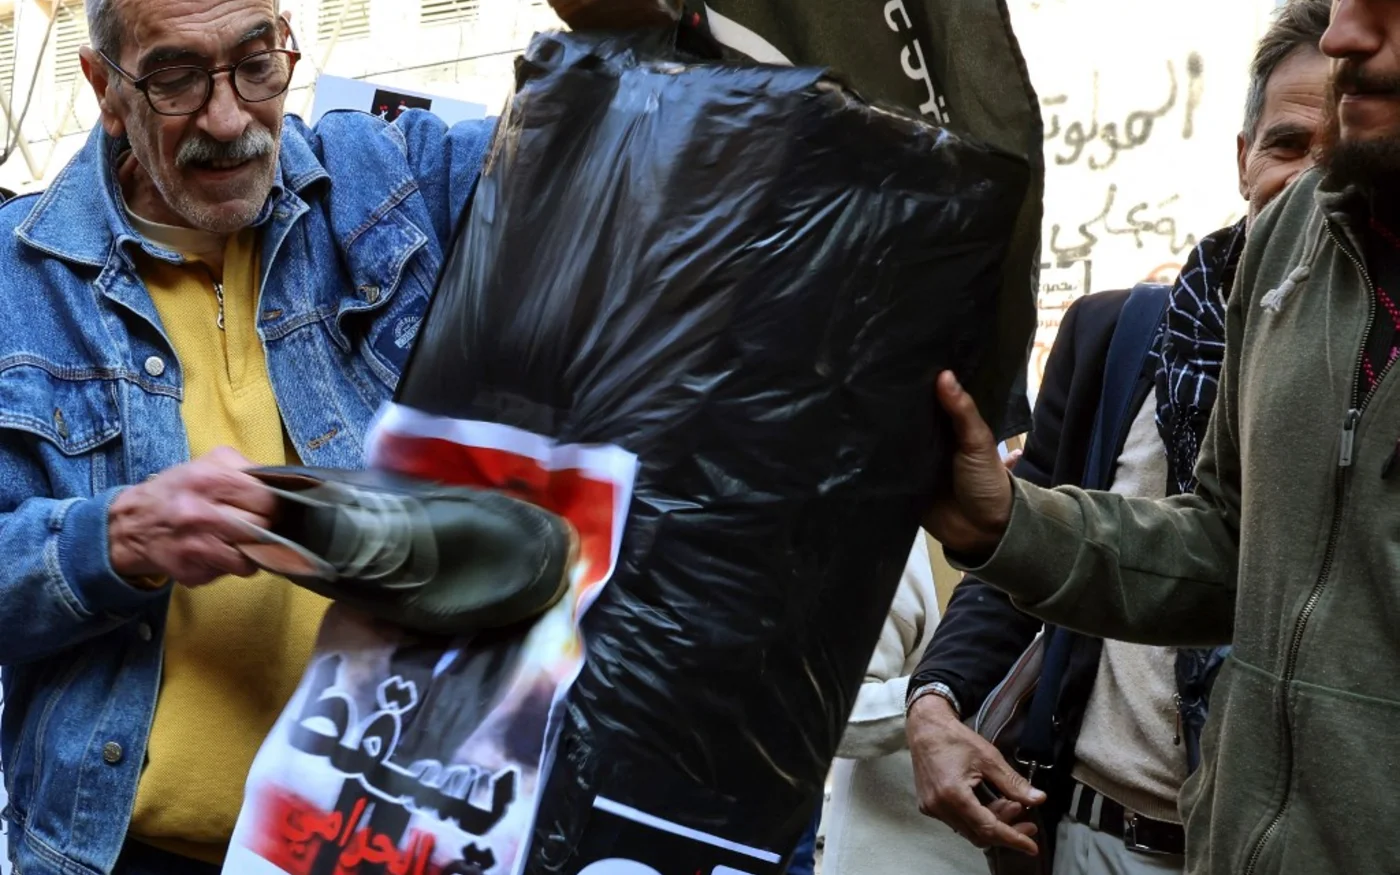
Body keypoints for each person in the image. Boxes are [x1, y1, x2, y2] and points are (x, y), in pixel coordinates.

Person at [0, 1, 620, 874]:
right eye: (176, 78)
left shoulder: (390, 176)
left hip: (391, 840)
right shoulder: (12, 277)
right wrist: (115, 539)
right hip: (125, 852)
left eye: (256, 63)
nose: (228, 119)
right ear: (106, 88)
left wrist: (620, 29)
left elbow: (600, 158)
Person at [923, 0, 1400, 872]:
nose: (1346, 39)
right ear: (1242, 156)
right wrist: (1005, 526)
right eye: (1340, 5)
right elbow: (1230, 549)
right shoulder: (1286, 250)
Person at [821, 533, 985, 875]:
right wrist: (943, 693)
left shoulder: (1063, 541)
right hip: (896, 857)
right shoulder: (904, 549)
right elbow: (829, 711)